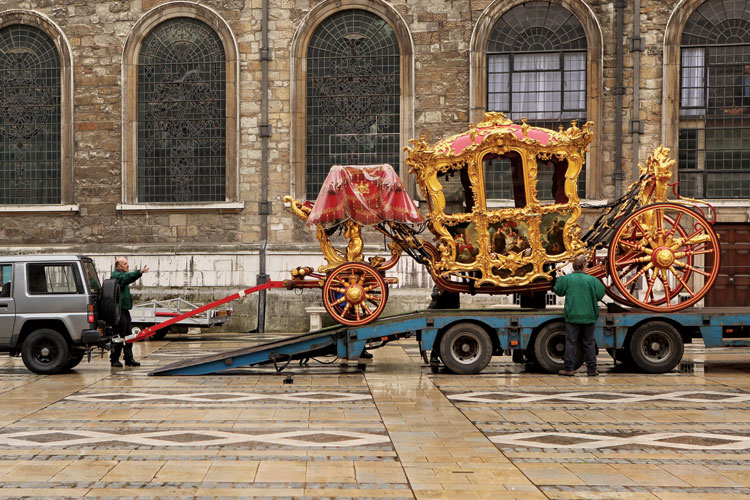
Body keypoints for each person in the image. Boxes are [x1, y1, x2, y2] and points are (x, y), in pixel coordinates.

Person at [552, 254, 605, 377]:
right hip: (589, 315)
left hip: (573, 316)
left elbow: (558, 291)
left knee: (571, 343)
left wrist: (560, 278)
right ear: (584, 266)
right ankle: (592, 369)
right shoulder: (592, 280)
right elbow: (600, 295)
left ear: (574, 266)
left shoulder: (567, 279)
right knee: (589, 343)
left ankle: (569, 369)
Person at [110, 257, 149, 367]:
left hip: (124, 310)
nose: (127, 265)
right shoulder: (116, 276)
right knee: (118, 336)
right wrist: (139, 272)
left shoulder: (121, 276)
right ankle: (114, 359)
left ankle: (128, 358)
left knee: (128, 335)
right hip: (119, 311)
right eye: (125, 263)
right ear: (118, 266)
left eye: (127, 263)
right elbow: (127, 278)